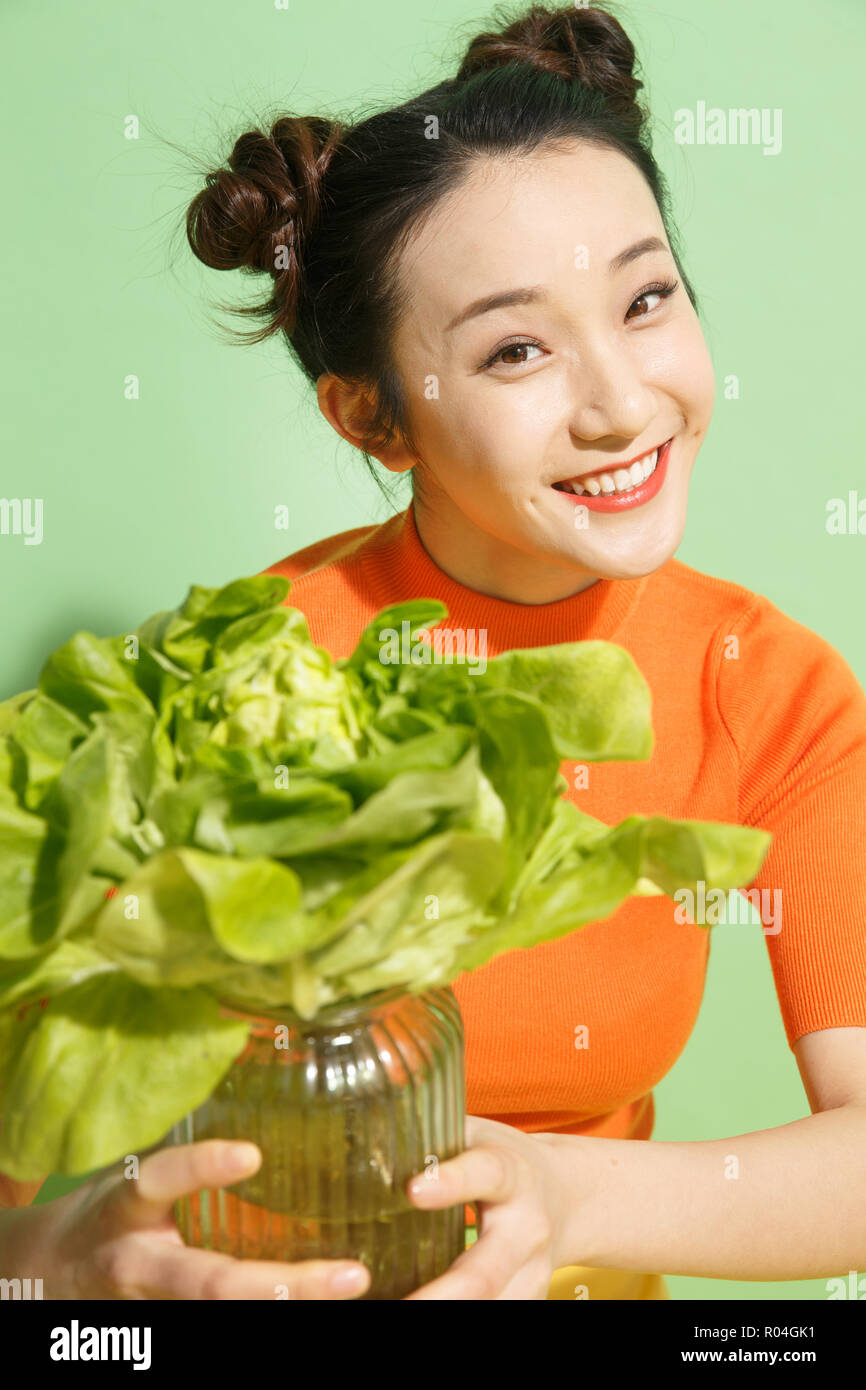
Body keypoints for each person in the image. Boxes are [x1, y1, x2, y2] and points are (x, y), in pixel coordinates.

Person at [3, 1, 866, 1301]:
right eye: (515, 347)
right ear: (374, 417)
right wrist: (60, 1274)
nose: (622, 402)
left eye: (644, 298)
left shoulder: (766, 688)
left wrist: (567, 1199)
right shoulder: (209, 691)